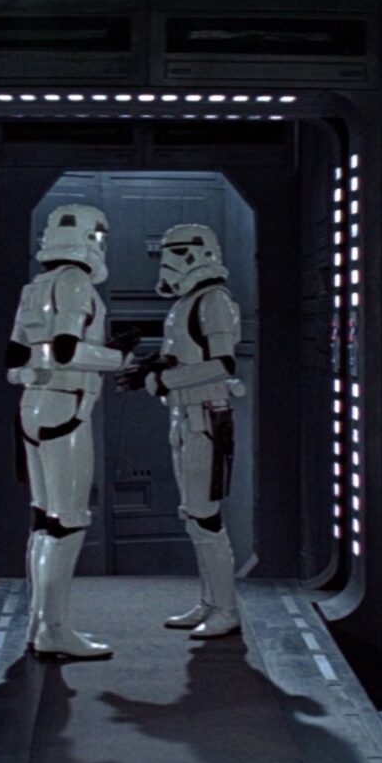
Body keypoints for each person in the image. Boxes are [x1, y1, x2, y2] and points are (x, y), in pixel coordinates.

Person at [8, 204, 134, 660]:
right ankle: (54, 628)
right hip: (66, 406)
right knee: (69, 521)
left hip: (32, 406)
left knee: (45, 521)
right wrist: (119, 357)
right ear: (91, 238)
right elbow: (66, 350)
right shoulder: (75, 282)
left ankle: (39, 623)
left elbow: (15, 356)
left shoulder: (35, 286)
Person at [117, 223, 246, 638]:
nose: (167, 263)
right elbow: (188, 356)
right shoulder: (190, 301)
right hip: (187, 418)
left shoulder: (214, 300)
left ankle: (226, 608)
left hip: (205, 417)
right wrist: (154, 369)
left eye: (173, 253)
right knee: (194, 515)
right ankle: (210, 601)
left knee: (205, 518)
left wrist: (161, 380)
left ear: (196, 253)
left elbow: (223, 364)